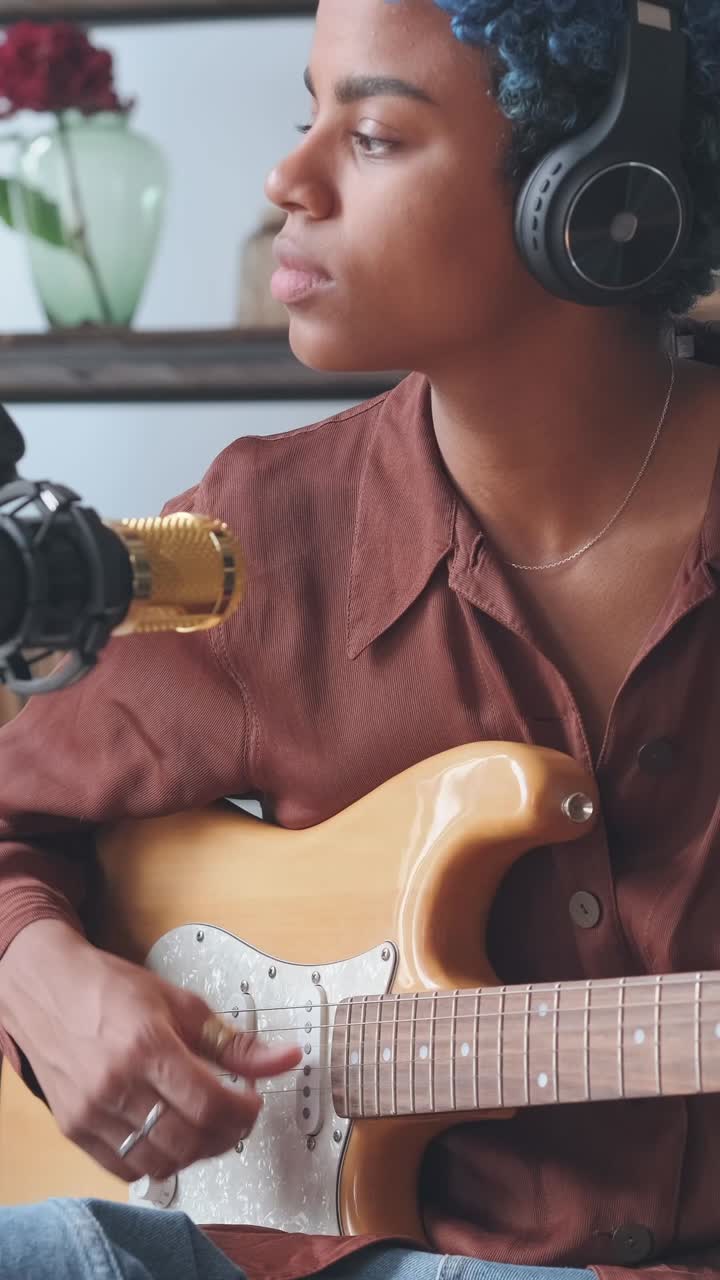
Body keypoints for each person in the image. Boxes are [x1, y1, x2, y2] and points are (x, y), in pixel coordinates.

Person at [1, 0, 720, 1277]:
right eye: (306, 110)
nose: (288, 176)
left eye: (376, 133)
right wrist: (39, 970)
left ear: (602, 192)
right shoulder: (261, 533)